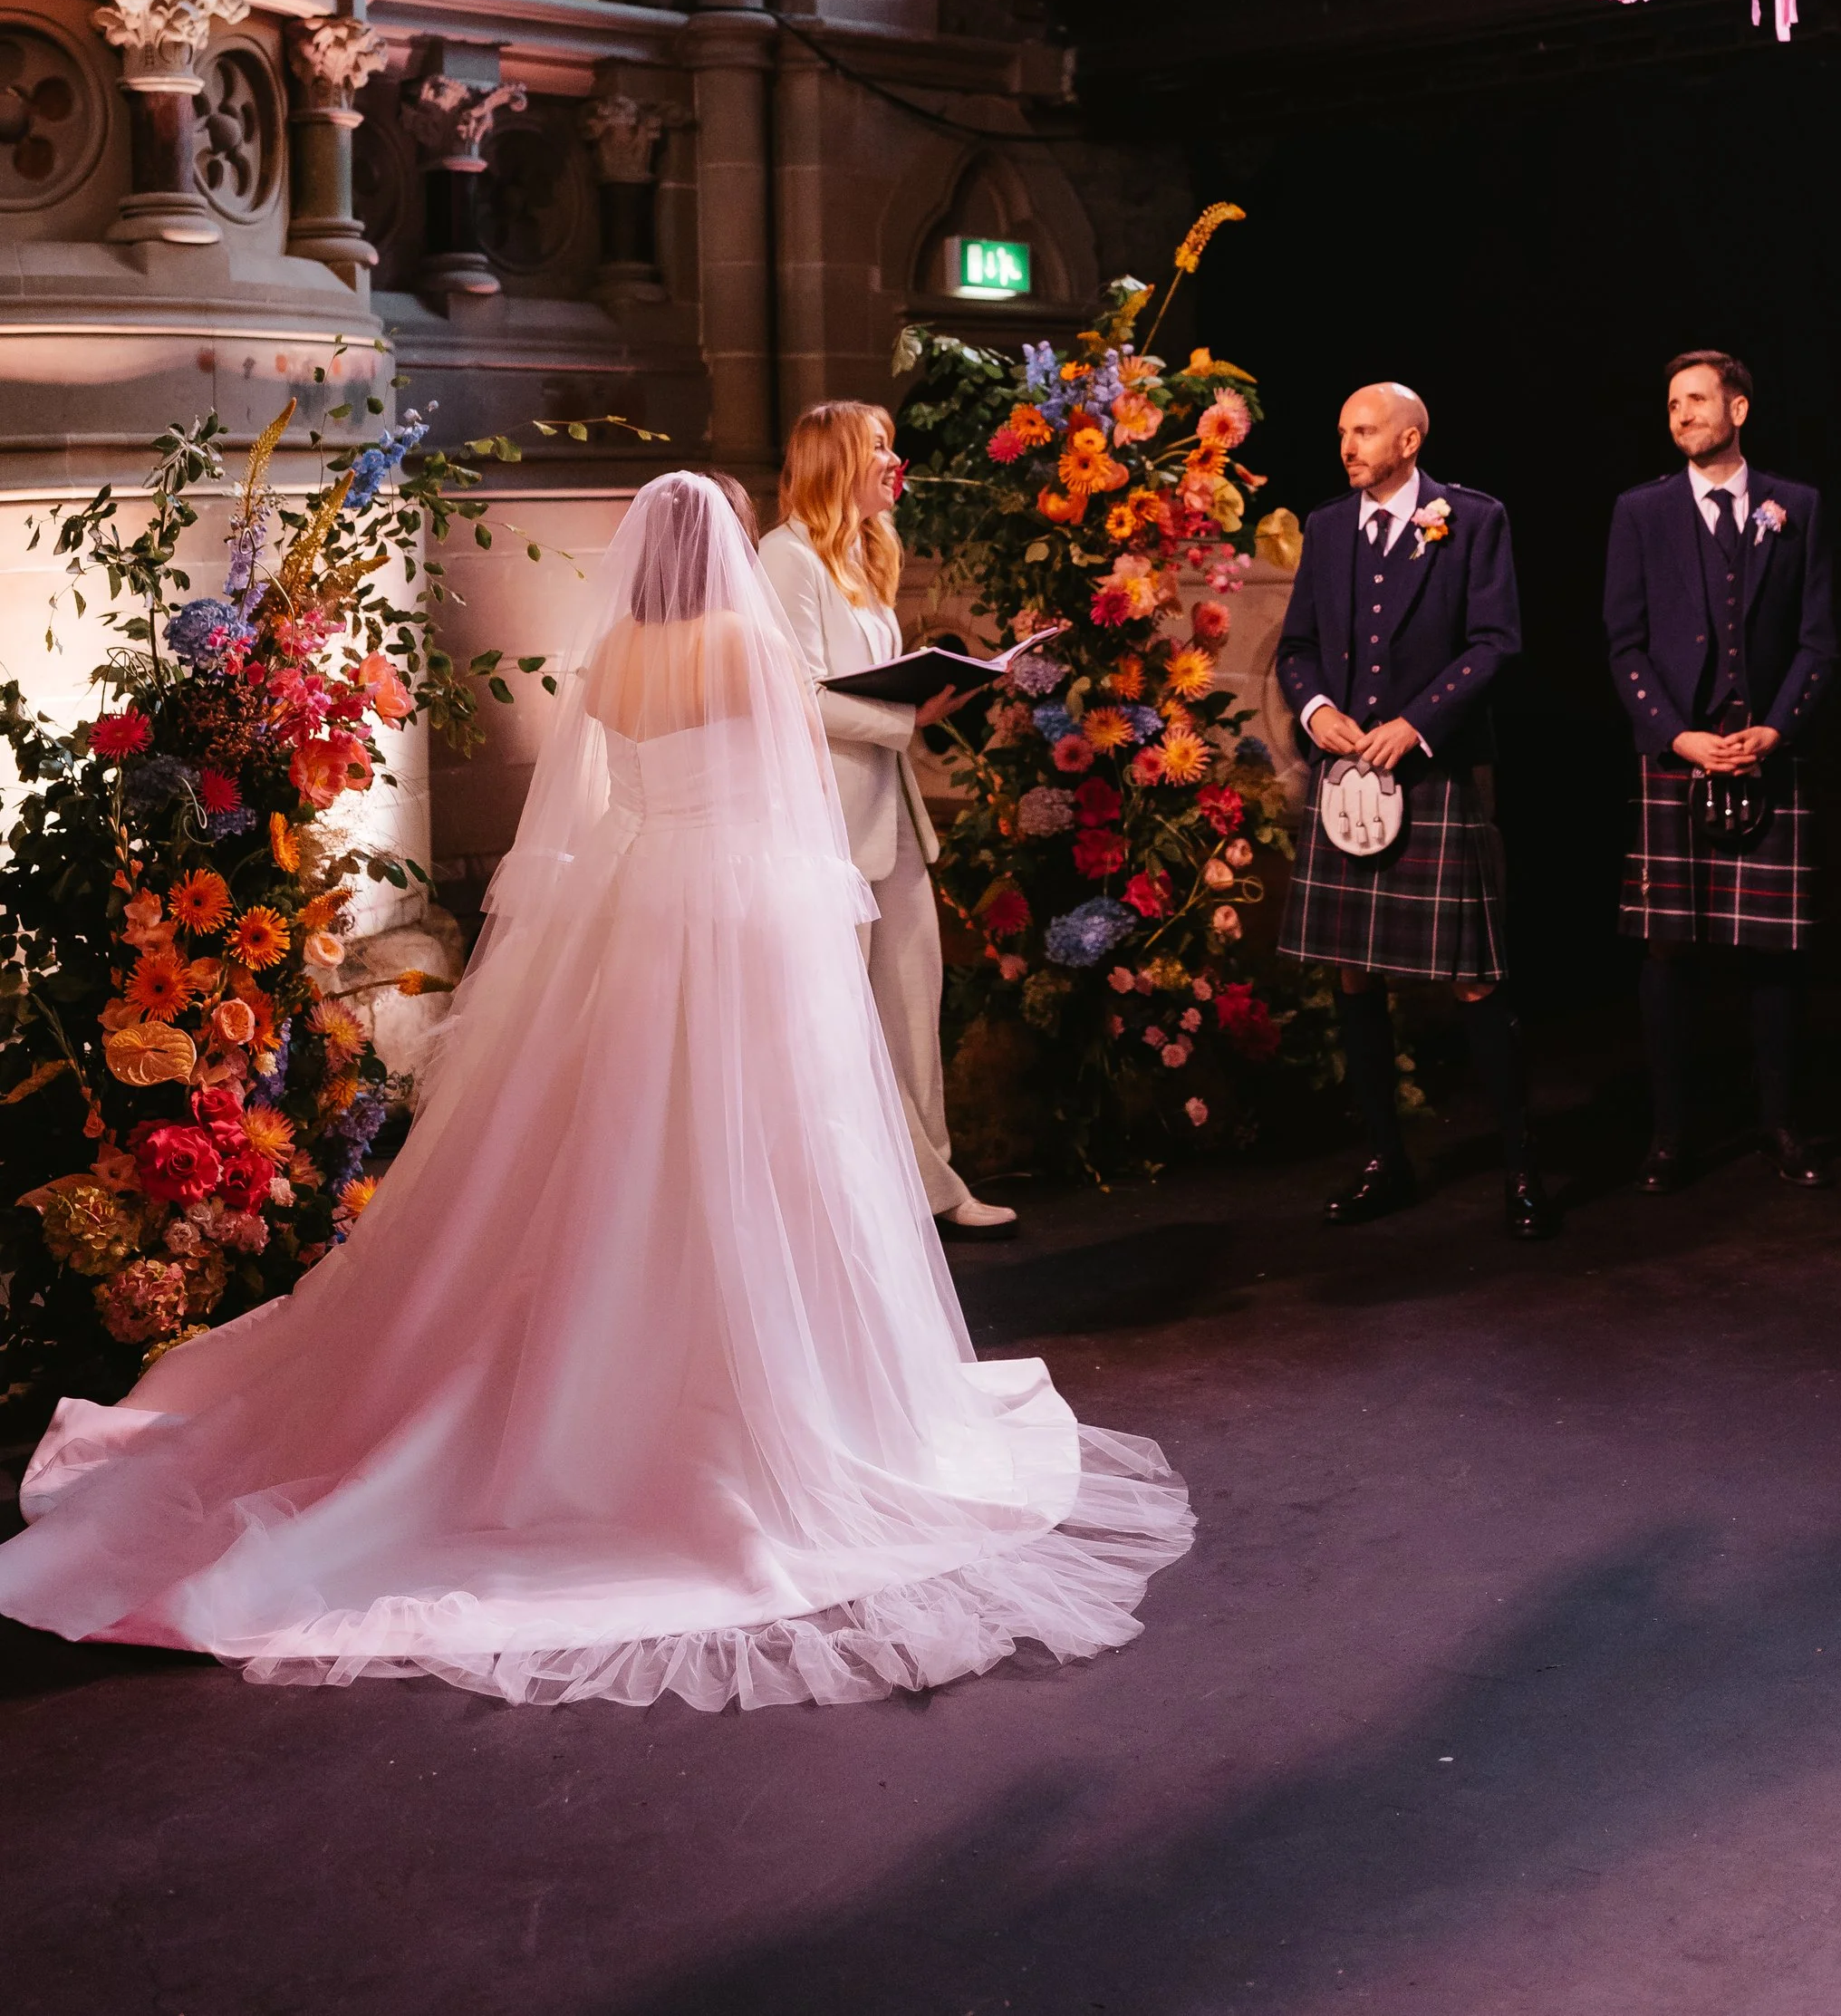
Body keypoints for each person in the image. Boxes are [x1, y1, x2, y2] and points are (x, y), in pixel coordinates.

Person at [0, 474, 1190, 1706]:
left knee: (612, 1138)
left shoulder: (617, 651)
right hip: (737, 907)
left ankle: (597, 1372)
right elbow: (788, 789)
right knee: (761, 1141)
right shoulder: (744, 642)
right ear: (721, 550)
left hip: (635, 902)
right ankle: (763, 1395)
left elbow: (606, 800)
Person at [1275, 381, 1534, 1233]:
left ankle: (1520, 1171)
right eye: (1342, 431)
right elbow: (1299, 646)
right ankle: (1386, 1160)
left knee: (1473, 978)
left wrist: (1415, 725)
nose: (1348, 446)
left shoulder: (1474, 519)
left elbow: (1497, 642)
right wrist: (1319, 715)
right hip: (1346, 774)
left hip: (1435, 770)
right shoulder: (1324, 527)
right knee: (1353, 972)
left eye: (1365, 431)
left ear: (1410, 441)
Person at [757, 400, 1017, 1240]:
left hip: (890, 808)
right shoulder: (785, 557)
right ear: (834, 462)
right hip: (830, 818)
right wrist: (908, 720)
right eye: (878, 448)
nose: (892, 463)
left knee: (913, 999)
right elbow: (792, 697)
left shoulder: (860, 557)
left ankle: (934, 1186)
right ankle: (873, 1199)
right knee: (848, 1016)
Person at [1605, 349, 1836, 1192]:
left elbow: (1817, 637)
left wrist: (1777, 726)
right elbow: (1624, 644)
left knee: (1772, 951)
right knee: (1668, 947)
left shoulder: (1796, 508)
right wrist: (1676, 736)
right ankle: (1670, 1134)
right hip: (1680, 752)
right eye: (1672, 403)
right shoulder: (1641, 511)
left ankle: (1779, 1123)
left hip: (1767, 747)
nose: (1681, 415)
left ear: (1739, 409)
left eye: (1697, 400)